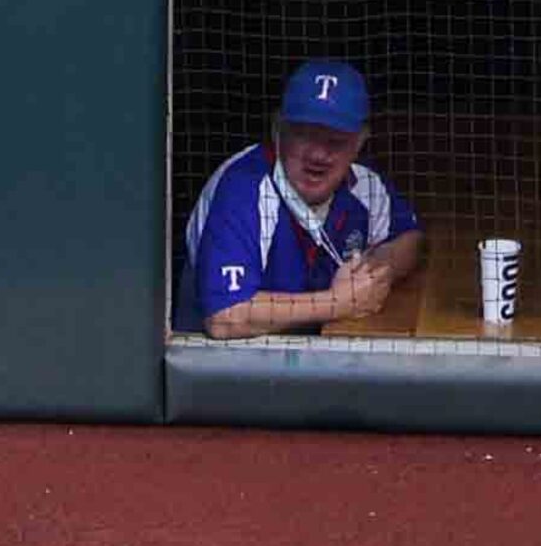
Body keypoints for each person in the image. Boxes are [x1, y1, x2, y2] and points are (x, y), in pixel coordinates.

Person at [176, 59, 424, 338]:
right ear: (278, 129)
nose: (318, 156)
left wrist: (374, 274)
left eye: (335, 141)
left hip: (310, 360)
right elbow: (226, 318)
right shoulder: (243, 188)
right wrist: (337, 303)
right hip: (225, 366)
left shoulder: (363, 184)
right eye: (305, 135)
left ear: (359, 142)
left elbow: (408, 237)